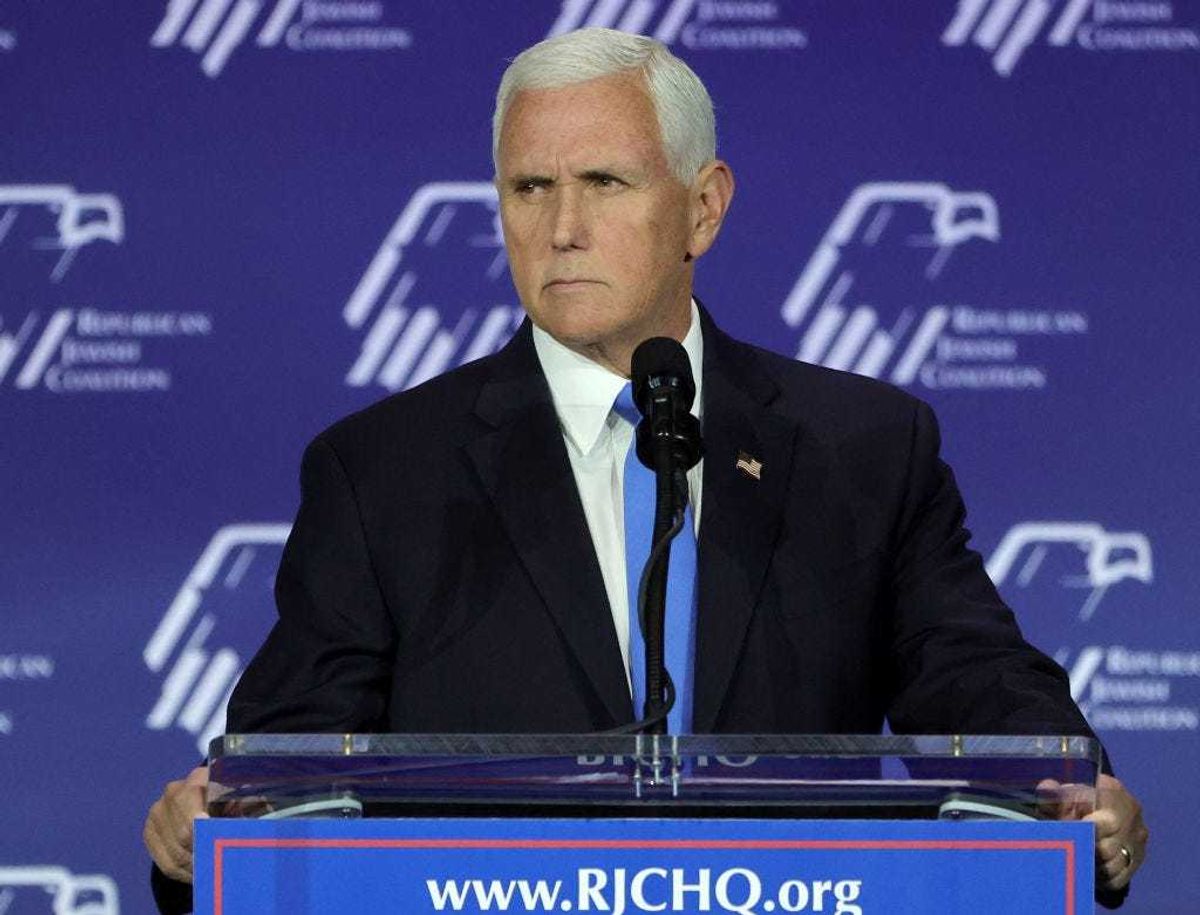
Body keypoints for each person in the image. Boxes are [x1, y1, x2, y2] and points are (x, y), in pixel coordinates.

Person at [143, 28, 1147, 912]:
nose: (560, 227)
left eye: (605, 184)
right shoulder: (383, 471)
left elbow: (974, 677)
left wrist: (1071, 789)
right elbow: (290, 760)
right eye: (529, 187)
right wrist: (213, 829)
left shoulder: (862, 447)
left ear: (703, 209)